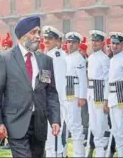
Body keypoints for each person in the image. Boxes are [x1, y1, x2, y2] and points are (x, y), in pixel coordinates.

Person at [0, 16, 60, 158]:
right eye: (33, 33)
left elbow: (50, 92)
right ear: (22, 35)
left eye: (38, 33)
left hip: (39, 124)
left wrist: (55, 119)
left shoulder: (45, 60)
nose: (38, 37)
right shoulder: (5, 59)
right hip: (16, 123)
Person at [106, 32, 123, 157]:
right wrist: (107, 101)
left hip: (122, 97)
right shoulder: (112, 60)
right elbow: (108, 82)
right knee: (116, 132)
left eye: (117, 44)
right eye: (113, 43)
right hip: (112, 98)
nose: (114, 46)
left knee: (122, 132)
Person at [42, 25, 67, 157]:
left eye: (50, 38)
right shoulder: (47, 55)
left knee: (54, 139)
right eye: (45, 38)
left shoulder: (57, 57)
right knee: (49, 139)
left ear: (57, 41)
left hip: (55, 103)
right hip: (47, 101)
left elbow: (58, 84)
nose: (46, 40)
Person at [87, 30, 110, 157]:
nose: (94, 43)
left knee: (100, 123)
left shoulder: (104, 58)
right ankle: (98, 148)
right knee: (93, 124)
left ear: (102, 43)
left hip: (100, 91)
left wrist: (106, 100)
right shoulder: (90, 57)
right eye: (93, 40)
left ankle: (102, 151)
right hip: (91, 91)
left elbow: (107, 80)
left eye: (97, 41)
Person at [65, 31, 87, 157]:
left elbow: (82, 79)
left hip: (74, 92)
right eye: (68, 42)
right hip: (66, 92)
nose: (70, 45)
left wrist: (82, 96)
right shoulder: (66, 57)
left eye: (73, 42)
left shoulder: (79, 58)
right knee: (67, 123)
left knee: (75, 124)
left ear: (78, 44)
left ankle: (79, 154)